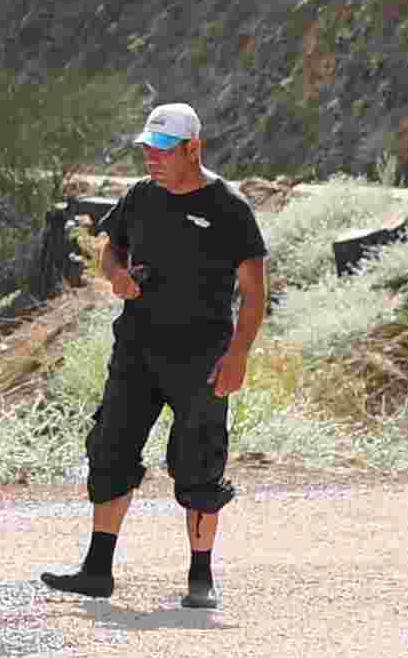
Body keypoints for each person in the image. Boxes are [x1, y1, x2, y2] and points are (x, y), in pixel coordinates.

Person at [46, 101, 268, 609]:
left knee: (198, 461)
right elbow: (111, 250)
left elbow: (254, 293)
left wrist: (238, 357)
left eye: (164, 149)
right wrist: (116, 276)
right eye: (148, 148)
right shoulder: (140, 197)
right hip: (137, 349)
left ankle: (200, 577)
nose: (153, 157)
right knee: (109, 448)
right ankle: (96, 570)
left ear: (194, 148)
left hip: (202, 356)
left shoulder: (230, 208)